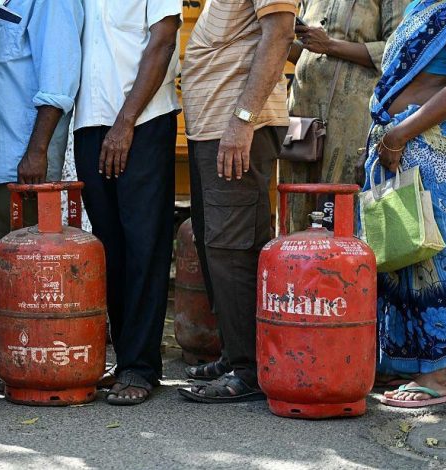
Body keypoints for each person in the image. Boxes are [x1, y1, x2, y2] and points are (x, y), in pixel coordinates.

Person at [362, 0, 446, 408]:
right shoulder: (417, 6)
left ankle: (437, 375)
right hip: (395, 142)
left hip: (433, 144)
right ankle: (402, 361)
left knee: (433, 251)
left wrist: (400, 134)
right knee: (395, 252)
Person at [177, 0, 296, 402]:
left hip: (237, 127)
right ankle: (235, 355)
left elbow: (279, 34)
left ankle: (249, 370)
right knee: (217, 244)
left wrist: (243, 120)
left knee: (233, 249)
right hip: (214, 128)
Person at [0, 0, 84, 383]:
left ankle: (26, 356)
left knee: (23, 269)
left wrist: (37, 151)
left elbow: (59, 81)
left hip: (22, 160)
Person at [73, 0, 182, 405]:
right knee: (109, 248)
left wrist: (125, 122)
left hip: (143, 121)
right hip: (90, 122)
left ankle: (141, 366)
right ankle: (124, 359)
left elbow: (163, 42)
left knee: (144, 246)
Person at [279, 0, 407, 231]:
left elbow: (399, 50)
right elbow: (310, 54)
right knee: (294, 202)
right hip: (302, 114)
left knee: (338, 210)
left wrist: (330, 45)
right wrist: (279, 39)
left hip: (351, 120)